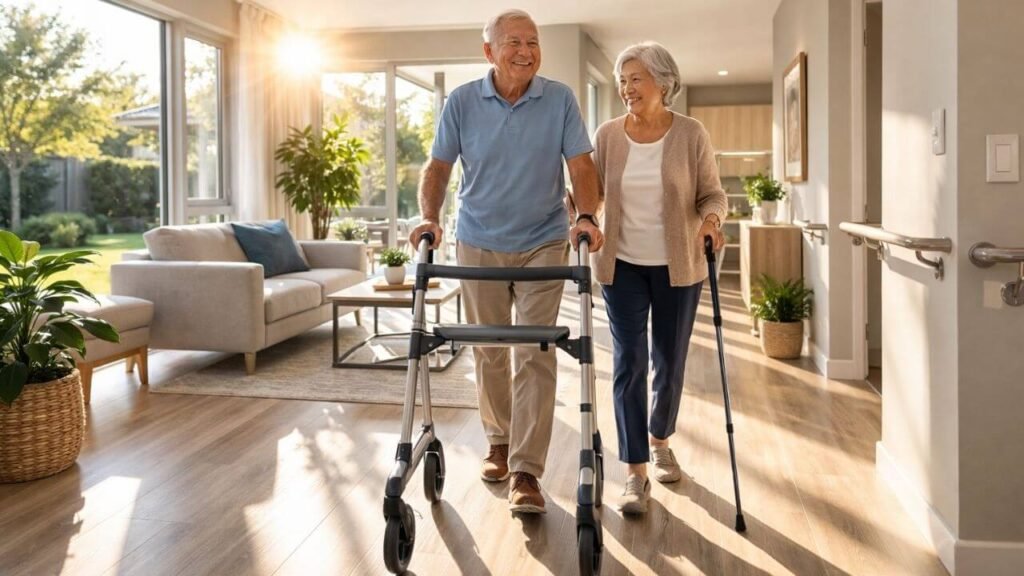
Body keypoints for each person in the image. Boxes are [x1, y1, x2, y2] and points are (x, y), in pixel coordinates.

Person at [409, 9, 604, 515]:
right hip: (478, 240)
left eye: (532, 42)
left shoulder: (559, 99)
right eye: (513, 42)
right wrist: (429, 217)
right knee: (489, 348)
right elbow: (439, 167)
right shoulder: (461, 102)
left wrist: (586, 215)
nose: (525, 51)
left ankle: (526, 471)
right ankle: (498, 441)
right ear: (489, 51)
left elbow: (581, 165)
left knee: (535, 351)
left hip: (544, 240)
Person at [591, 41, 727, 514]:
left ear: (663, 83)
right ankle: (635, 471)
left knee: (668, 360)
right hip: (621, 265)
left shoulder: (690, 134)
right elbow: (591, 193)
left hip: (679, 266)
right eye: (622, 80)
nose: (627, 88)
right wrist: (576, 208)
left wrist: (711, 222)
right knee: (629, 361)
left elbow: (712, 195)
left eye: (636, 79)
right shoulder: (608, 135)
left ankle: (660, 439)